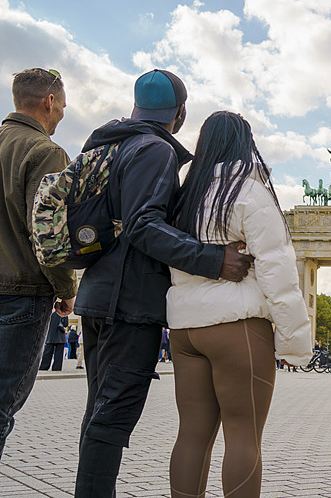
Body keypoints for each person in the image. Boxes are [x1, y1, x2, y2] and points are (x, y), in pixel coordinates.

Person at [73, 70, 254, 497]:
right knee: (112, 417)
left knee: (98, 413)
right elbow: (143, 225)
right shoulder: (154, 149)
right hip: (129, 302)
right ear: (180, 113)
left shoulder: (110, 143)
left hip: (99, 294)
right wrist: (213, 258)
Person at [166, 111, 311, 497]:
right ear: (244, 145)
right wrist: (296, 344)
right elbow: (278, 275)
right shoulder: (250, 193)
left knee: (191, 437)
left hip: (184, 331)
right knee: (243, 439)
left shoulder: (183, 197)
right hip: (238, 328)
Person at [0, 68, 76, 458]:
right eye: (62, 104)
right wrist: (66, 290)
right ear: (49, 102)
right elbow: (48, 233)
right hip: (21, 293)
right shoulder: (45, 151)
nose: (62, 112)